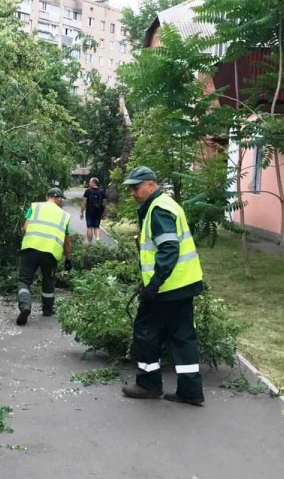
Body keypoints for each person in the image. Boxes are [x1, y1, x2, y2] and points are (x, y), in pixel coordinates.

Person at [119, 166, 206, 406]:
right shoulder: (168, 204)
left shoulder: (158, 210)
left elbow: (169, 249)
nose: (133, 193)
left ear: (150, 184)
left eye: (136, 188)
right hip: (184, 284)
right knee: (183, 337)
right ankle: (191, 391)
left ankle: (148, 385)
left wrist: (154, 284)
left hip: (166, 288)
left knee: (145, 332)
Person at [16, 187, 73, 326]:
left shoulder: (35, 207)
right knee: (48, 280)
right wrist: (68, 258)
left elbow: (25, 228)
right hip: (50, 253)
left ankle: (25, 305)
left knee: (24, 280)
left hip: (30, 248)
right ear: (59, 199)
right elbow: (67, 241)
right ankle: (47, 309)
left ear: (47, 196)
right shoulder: (64, 215)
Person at [80, 177, 106, 243]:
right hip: (98, 212)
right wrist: (102, 212)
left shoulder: (88, 191)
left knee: (89, 227)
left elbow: (84, 202)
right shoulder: (102, 191)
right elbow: (104, 203)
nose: (89, 183)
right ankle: (97, 238)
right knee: (97, 226)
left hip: (89, 211)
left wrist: (82, 211)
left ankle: (90, 243)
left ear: (93, 183)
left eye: (90, 182)